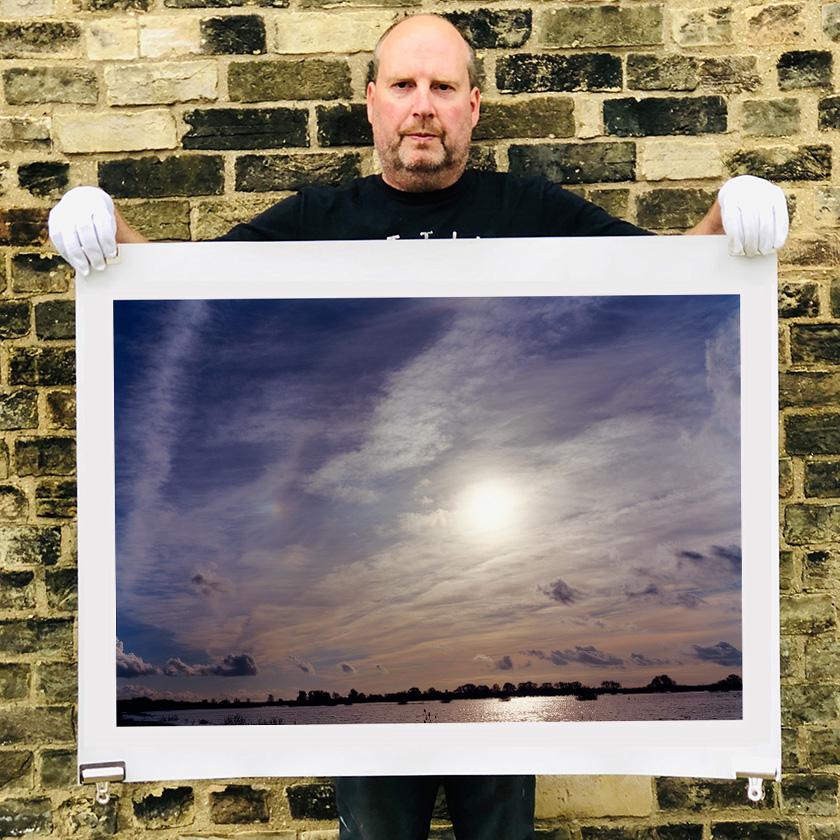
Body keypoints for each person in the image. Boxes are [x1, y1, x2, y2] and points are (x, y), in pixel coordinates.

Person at [49, 14, 788, 840]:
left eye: (442, 88)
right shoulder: (313, 223)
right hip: (361, 583)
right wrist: (104, 232)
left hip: (502, 587)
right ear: (372, 104)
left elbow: (673, 288)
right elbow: (181, 302)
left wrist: (729, 221)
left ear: (473, 106)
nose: (422, 107)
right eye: (403, 86)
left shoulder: (531, 209)